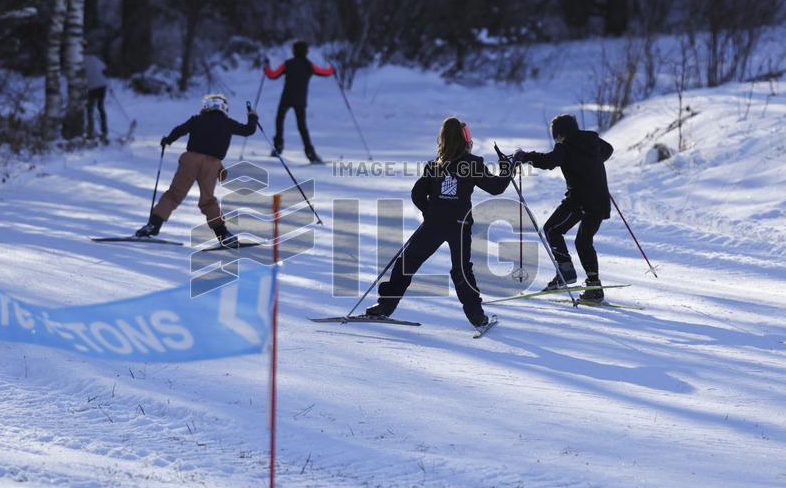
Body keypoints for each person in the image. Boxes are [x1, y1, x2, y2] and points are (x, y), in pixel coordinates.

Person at [365, 117, 511, 330]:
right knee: (461, 270)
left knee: (407, 262)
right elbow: (496, 188)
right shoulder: (473, 163)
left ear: (442, 139)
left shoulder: (435, 165)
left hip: (434, 224)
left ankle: (385, 306)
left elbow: (417, 194)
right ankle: (477, 317)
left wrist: (429, 212)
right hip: (459, 226)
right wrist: (507, 168)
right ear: (465, 140)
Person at [512, 114, 614, 302]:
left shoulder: (565, 146)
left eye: (555, 136)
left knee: (552, 229)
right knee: (583, 242)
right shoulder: (592, 140)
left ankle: (566, 271)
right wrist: (592, 165)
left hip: (580, 200)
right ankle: (594, 287)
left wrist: (526, 157)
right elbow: (608, 149)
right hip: (600, 201)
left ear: (559, 134)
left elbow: (549, 161)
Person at [135, 94, 257, 247]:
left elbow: (179, 130)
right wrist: (252, 116)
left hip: (190, 160)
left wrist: (168, 140)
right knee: (208, 201)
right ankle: (223, 235)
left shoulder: (197, 119)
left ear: (206, 106)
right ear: (224, 108)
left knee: (174, 194)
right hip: (212, 165)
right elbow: (248, 130)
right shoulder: (228, 123)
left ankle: (152, 225)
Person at [263, 41, 334, 163]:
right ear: (306, 51)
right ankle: (310, 153)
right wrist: (332, 69)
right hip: (300, 100)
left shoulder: (288, 63)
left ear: (294, 51)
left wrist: (266, 68)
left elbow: (273, 75)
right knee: (302, 127)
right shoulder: (309, 65)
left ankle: (278, 147)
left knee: (279, 120)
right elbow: (324, 72)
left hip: (286, 97)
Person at [84, 53, 108, 140]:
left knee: (90, 109)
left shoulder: (80, 61)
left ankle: (90, 132)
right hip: (102, 86)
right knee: (100, 107)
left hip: (91, 87)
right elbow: (104, 68)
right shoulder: (96, 58)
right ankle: (104, 131)